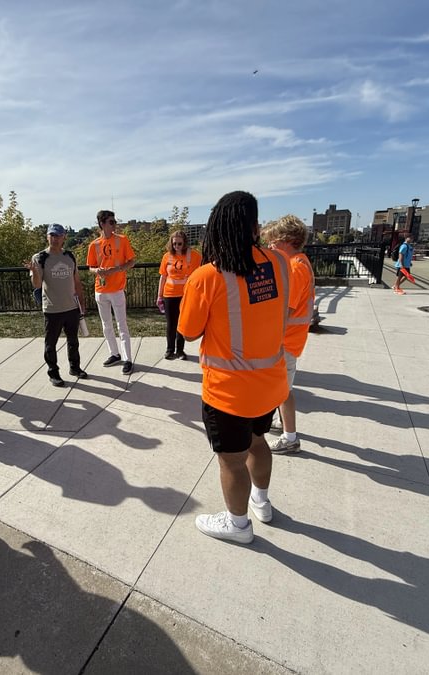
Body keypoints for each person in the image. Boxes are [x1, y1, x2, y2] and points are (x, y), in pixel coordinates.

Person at [178, 191, 290, 544]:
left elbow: (188, 331)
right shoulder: (279, 263)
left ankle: (238, 524)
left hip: (228, 392)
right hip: (270, 382)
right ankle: (261, 501)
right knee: (258, 442)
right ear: (254, 227)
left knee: (231, 460)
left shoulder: (207, 276)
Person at [261, 215, 315, 454]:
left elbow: (285, 310)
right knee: (280, 388)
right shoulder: (300, 262)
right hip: (291, 337)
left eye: (274, 241)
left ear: (288, 240)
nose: (270, 246)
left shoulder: (294, 267)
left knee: (283, 390)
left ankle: (290, 437)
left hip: (287, 339)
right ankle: (281, 422)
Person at [27, 223, 88, 387]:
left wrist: (81, 303)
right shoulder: (40, 257)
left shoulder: (69, 256)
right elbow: (37, 285)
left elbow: (76, 282)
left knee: (73, 341)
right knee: (50, 343)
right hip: (52, 309)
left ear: (63, 238)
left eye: (58, 236)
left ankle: (75, 368)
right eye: (52, 235)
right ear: (47, 237)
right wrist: (34, 272)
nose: (55, 239)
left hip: (71, 307)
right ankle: (53, 372)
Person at [87, 210, 136, 374]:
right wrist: (98, 271)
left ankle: (128, 359)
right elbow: (91, 267)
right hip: (100, 289)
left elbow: (132, 262)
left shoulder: (122, 240)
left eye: (115, 222)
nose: (114, 225)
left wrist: (117, 269)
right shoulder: (94, 245)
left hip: (117, 289)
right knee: (106, 325)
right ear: (102, 224)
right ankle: (114, 354)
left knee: (122, 325)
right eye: (111, 222)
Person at [156, 230, 202, 360]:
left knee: (182, 323)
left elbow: (201, 274)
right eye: (174, 243)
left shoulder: (194, 256)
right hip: (169, 295)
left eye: (180, 244)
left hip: (186, 295)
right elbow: (163, 277)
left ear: (185, 243)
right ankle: (170, 350)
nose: (177, 246)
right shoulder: (167, 257)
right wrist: (159, 296)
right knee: (171, 323)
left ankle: (180, 350)